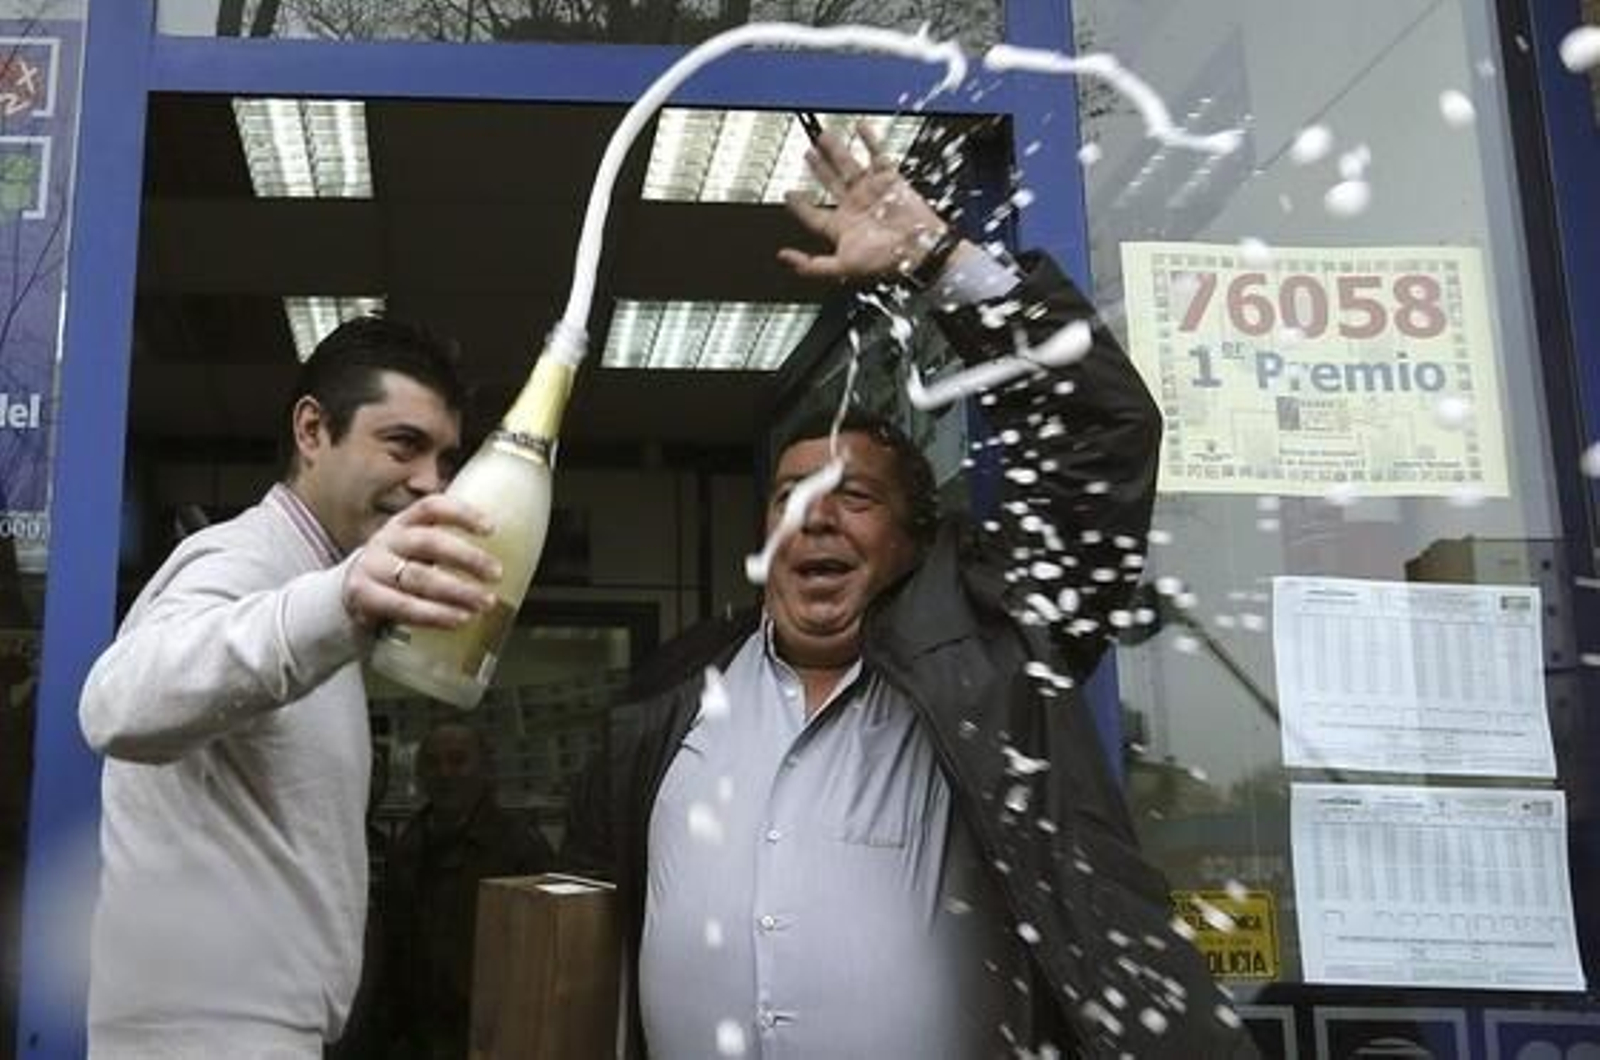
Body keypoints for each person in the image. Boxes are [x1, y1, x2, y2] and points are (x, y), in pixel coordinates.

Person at [579, 126, 1260, 1058]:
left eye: (852, 498)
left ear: (913, 539)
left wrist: (940, 261)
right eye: (791, 499)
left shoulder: (997, 660)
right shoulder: (665, 700)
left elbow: (1103, 435)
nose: (815, 521)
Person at [78, 316, 505, 1059]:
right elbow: (115, 703)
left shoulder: (315, 584)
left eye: (445, 457)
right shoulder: (236, 561)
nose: (431, 481)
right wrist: (338, 604)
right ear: (313, 431)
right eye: (403, 444)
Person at [383, 722, 554, 1060]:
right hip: (417, 1037)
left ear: (486, 769)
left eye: (458, 760)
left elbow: (545, 953)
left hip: (492, 1035)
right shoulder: (406, 849)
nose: (444, 772)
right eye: (432, 762)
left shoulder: (520, 847)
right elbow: (394, 949)